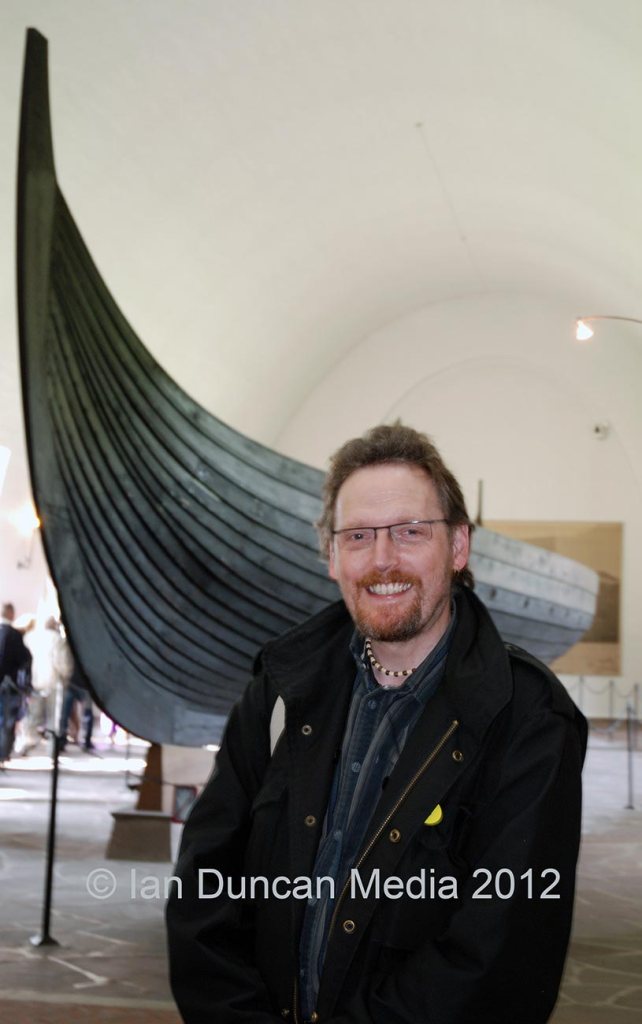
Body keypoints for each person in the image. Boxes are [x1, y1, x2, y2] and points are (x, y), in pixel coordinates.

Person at [166, 423, 587, 1024]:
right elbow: (204, 882)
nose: (383, 559)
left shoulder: (528, 719)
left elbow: (498, 955)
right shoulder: (280, 691)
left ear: (458, 547)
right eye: (359, 536)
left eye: (410, 531)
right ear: (332, 556)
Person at [0, 602, 33, 765]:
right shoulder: (14, 635)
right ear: (11, 614)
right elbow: (25, 659)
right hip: (9, 686)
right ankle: (2, 754)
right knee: (7, 721)